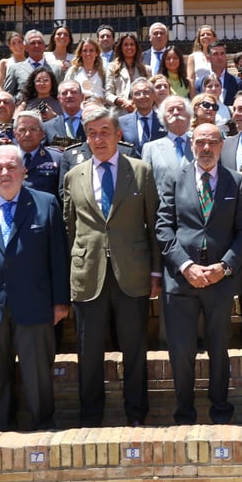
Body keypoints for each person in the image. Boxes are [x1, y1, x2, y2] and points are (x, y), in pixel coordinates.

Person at [0, 145, 69, 431]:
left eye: (11, 167)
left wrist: (60, 301)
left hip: (35, 304)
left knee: (38, 373)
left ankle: (44, 424)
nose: (5, 173)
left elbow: (58, 256)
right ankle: (3, 426)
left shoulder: (46, 204)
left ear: (23, 170)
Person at [63, 107, 161, 427]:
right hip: (88, 274)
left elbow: (154, 225)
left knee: (134, 349)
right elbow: (70, 228)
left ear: (119, 135)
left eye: (105, 131)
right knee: (89, 353)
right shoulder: (72, 175)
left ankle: (136, 413)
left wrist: (156, 272)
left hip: (131, 273)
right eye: (92, 133)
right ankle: (91, 416)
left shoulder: (141, 171)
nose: (98, 138)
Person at [156, 123, 242, 424]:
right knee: (181, 352)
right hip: (181, 281)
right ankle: (185, 411)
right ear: (191, 144)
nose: (207, 147)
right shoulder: (174, 178)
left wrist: (224, 267)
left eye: (213, 142)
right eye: (201, 142)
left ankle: (221, 409)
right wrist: (186, 266)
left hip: (219, 282)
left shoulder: (235, 182)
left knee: (219, 350)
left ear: (222, 145)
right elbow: (163, 228)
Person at [142, 95, 195, 187]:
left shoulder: (199, 144)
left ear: (189, 115)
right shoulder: (150, 148)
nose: (175, 113)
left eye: (180, 109)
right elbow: (146, 183)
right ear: (163, 117)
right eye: (170, 110)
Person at [11, 110, 63, 199]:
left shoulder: (57, 159)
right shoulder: (7, 158)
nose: (27, 134)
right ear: (15, 133)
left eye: (33, 129)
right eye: (22, 130)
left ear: (42, 134)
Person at [3, 29, 62, 96]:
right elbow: (7, 95)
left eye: (39, 43)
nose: (36, 46)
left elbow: (61, 94)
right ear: (26, 47)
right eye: (32, 43)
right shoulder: (14, 69)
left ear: (44, 47)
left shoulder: (56, 69)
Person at [119, 78, 166, 152]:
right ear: (132, 99)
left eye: (146, 92)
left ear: (154, 96)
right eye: (137, 93)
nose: (142, 96)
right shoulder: (121, 122)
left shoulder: (165, 120)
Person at [105, 31, 146, 110]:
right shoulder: (112, 68)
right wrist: (123, 101)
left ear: (136, 47)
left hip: (141, 111)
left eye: (132, 44)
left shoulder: (146, 69)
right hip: (120, 112)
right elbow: (108, 95)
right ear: (121, 47)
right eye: (126, 44)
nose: (129, 47)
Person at [43, 80, 87, 148]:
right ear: (59, 98)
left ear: (82, 97)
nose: (69, 96)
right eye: (64, 93)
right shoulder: (47, 127)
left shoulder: (93, 123)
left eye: (74, 92)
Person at [66, 36, 108, 104]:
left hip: (99, 109)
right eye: (85, 50)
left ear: (96, 53)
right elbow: (66, 90)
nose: (88, 53)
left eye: (91, 50)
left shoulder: (103, 72)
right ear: (80, 53)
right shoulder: (73, 71)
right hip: (79, 108)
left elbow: (108, 93)